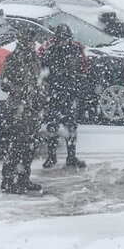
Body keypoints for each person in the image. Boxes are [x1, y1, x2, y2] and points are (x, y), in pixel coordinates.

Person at [0, 24, 45, 195]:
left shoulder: (34, 59)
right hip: (18, 109)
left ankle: (23, 178)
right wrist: (21, 92)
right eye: (30, 41)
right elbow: (4, 83)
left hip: (32, 110)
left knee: (29, 147)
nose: (32, 44)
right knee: (16, 146)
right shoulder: (12, 59)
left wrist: (40, 95)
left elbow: (39, 80)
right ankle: (9, 180)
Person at [39, 22, 88, 170]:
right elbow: (43, 71)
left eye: (65, 39)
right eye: (61, 39)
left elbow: (83, 70)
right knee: (53, 126)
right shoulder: (49, 50)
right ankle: (51, 156)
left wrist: (78, 88)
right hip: (54, 93)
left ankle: (71, 156)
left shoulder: (76, 49)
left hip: (69, 93)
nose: (63, 42)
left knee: (71, 126)